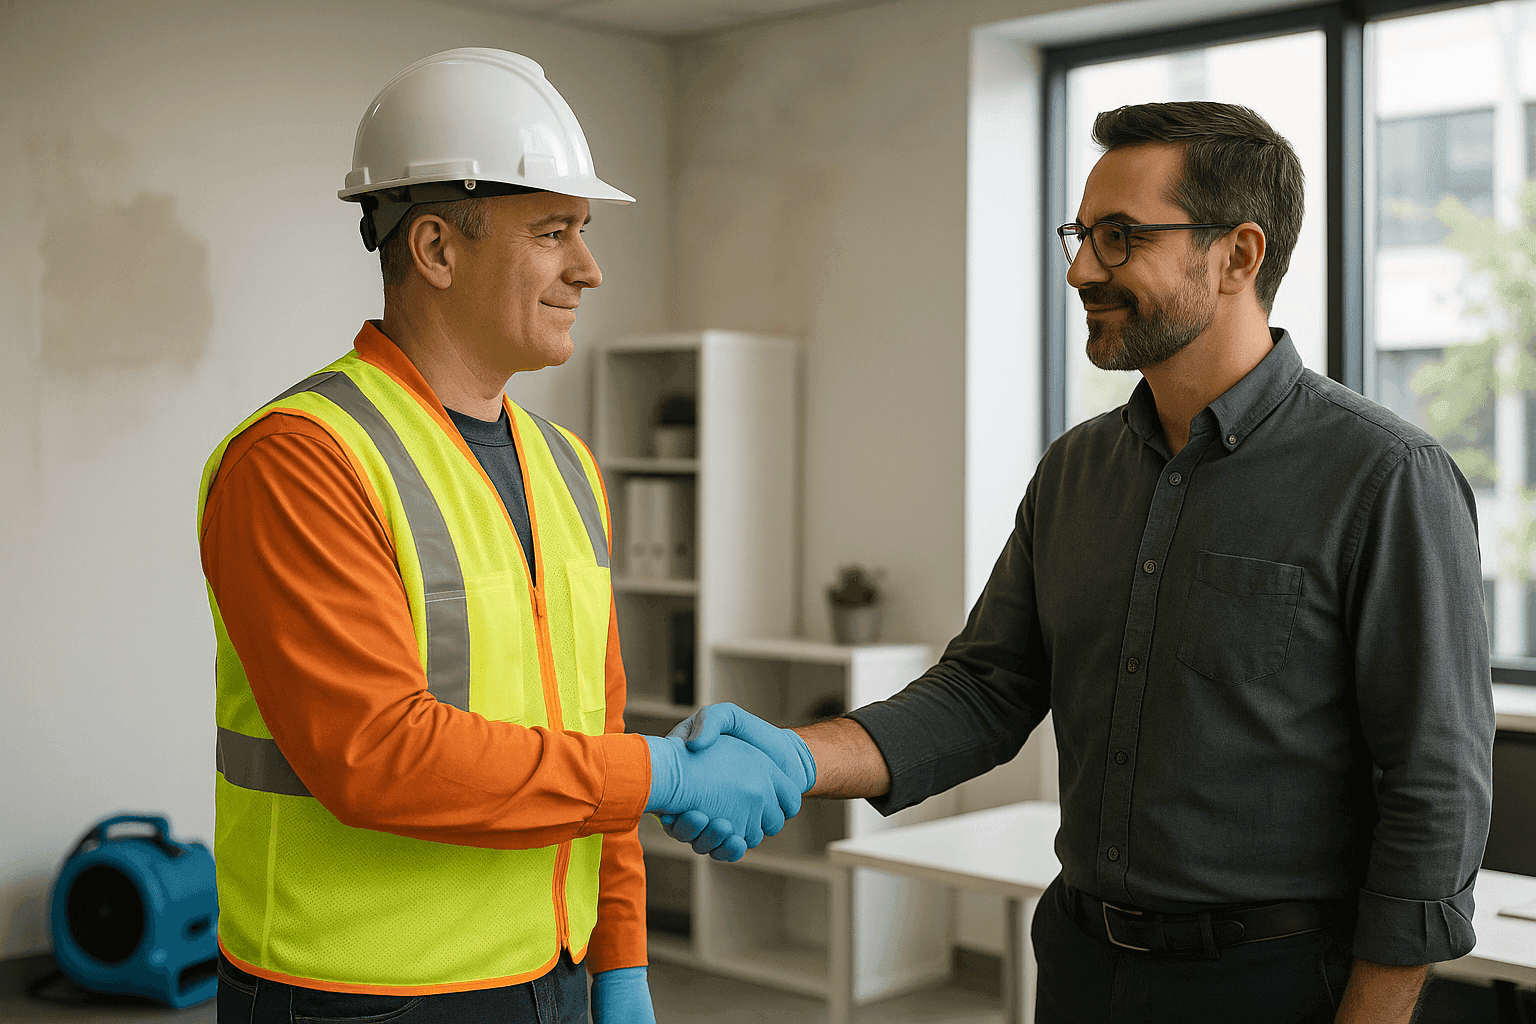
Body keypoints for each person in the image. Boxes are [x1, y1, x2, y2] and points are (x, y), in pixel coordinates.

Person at [666, 101, 1495, 1024]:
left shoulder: (1385, 476)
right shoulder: (1075, 470)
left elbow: (1434, 789)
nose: (1080, 270)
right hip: (1080, 966)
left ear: (1238, 255)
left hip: (1278, 985)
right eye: (1082, 234)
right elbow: (985, 690)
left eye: (1119, 238)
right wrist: (793, 757)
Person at [198, 48, 807, 1024]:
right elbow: (375, 751)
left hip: (549, 975)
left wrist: (621, 961)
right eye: (553, 232)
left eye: (583, 233)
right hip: (362, 999)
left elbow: (595, 736)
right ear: (436, 249)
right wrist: (667, 774)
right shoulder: (302, 460)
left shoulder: (567, 467)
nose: (589, 269)